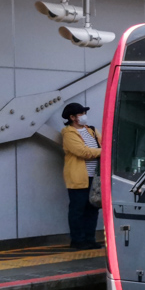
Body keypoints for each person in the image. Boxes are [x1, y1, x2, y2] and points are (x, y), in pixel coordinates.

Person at [62, 102, 102, 248]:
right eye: (80, 114)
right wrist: (103, 152)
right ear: (72, 117)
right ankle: (77, 240)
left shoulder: (91, 130)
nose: (84, 116)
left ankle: (90, 239)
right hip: (78, 177)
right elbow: (83, 152)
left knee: (93, 208)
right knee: (78, 209)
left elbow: (104, 144)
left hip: (95, 177)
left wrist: (101, 150)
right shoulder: (68, 133)